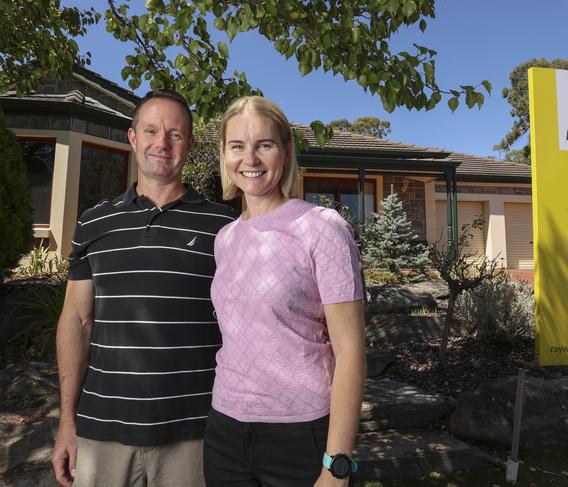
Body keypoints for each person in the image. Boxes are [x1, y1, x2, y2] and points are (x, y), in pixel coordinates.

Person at [51, 89, 238, 487]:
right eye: (151, 130)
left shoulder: (224, 227)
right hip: (102, 431)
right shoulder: (93, 222)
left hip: (195, 433)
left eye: (175, 134)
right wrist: (67, 420)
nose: (162, 143)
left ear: (188, 143)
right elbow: (76, 321)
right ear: (132, 138)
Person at [203, 96, 366, 487]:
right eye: (237, 146)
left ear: (286, 151)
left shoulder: (322, 228)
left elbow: (350, 351)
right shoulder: (225, 238)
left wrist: (336, 465)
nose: (250, 159)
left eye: (264, 144)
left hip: (300, 433)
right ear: (224, 154)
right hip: (225, 430)